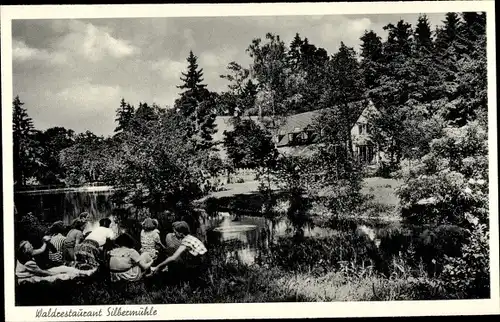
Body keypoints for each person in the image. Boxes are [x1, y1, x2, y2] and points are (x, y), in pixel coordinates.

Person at [16, 239, 94, 284]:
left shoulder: (28, 253)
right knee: (60, 276)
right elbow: (42, 272)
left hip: (37, 272)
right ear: (25, 250)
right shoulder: (28, 262)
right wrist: (57, 273)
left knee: (63, 267)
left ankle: (84, 272)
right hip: (29, 279)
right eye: (30, 246)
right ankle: (80, 277)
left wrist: (45, 242)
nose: (32, 247)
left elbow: (41, 250)